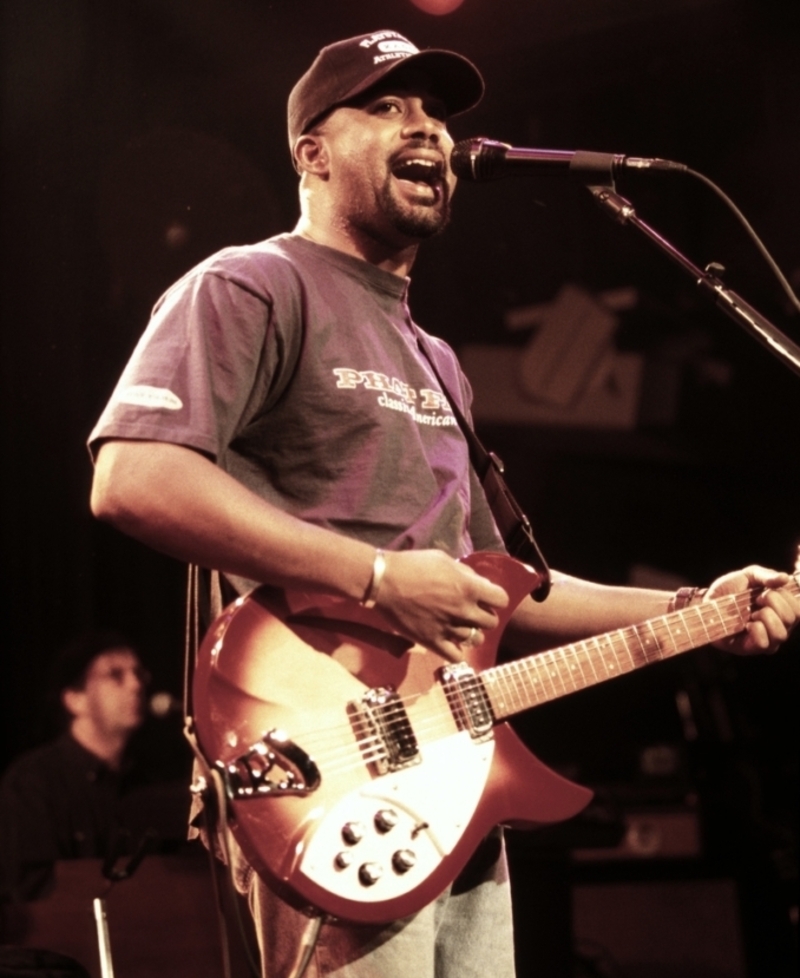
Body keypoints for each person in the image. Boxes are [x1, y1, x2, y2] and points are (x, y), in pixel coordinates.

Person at [87, 28, 799, 978]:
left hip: (452, 783)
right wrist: (378, 577)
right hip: (323, 773)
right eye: (386, 107)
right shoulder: (251, 284)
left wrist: (695, 613)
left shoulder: (438, 360)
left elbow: (505, 590)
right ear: (312, 152)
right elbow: (133, 477)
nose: (425, 128)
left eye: (433, 112)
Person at [0, 632, 147, 900]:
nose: (136, 684)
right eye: (116, 675)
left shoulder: (146, 778)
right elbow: (30, 892)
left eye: (138, 673)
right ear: (74, 699)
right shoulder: (34, 781)